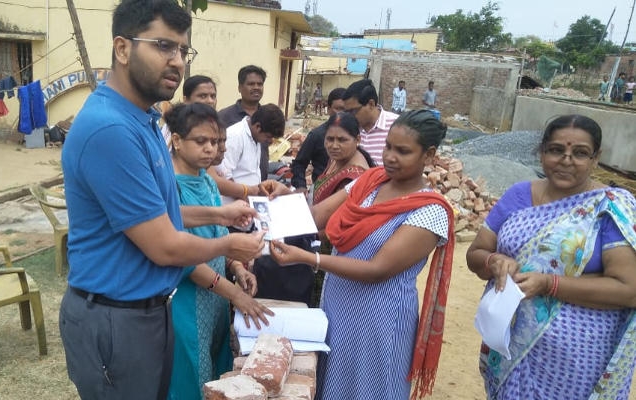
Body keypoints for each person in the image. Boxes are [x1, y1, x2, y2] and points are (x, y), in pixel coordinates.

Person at [58, 1, 265, 398]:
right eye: (163, 46)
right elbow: (164, 245)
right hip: (116, 317)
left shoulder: (145, 119)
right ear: (122, 49)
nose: (177, 61)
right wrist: (228, 245)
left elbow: (159, 213)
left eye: (183, 50)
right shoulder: (111, 129)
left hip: (148, 310)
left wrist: (220, 215)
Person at [269, 109, 455, 399]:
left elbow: (376, 269)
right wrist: (283, 200)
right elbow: (316, 217)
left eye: (403, 151)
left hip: (380, 318)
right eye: (388, 147)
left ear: (429, 155)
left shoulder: (430, 211)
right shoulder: (370, 182)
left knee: (372, 388)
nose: (390, 157)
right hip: (339, 305)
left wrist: (308, 258)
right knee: (334, 382)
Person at [466, 114, 636, 400]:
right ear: (542, 152)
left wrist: (549, 284)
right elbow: (476, 253)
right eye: (556, 150)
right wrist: (493, 261)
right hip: (507, 344)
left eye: (580, 153)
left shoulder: (609, 207)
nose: (566, 160)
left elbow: (629, 289)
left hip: (577, 360)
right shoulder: (518, 195)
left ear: (596, 158)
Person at [165, 102, 273, 400]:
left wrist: (237, 267)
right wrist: (234, 294)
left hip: (216, 297)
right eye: (201, 141)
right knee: (191, 378)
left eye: (214, 142)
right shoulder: (170, 188)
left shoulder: (207, 181)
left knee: (216, 372)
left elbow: (219, 235)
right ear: (177, 141)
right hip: (186, 300)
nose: (210, 149)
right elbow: (184, 259)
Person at [217, 103, 286, 206]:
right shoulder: (235, 136)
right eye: (268, 137)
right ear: (257, 127)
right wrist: (245, 198)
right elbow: (224, 177)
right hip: (234, 205)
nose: (270, 141)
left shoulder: (255, 136)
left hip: (250, 202)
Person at [218, 65, 269, 181]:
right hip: (231, 185)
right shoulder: (223, 117)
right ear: (240, 88)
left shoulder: (267, 116)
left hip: (261, 184)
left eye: (260, 84)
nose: (256, 87)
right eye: (251, 84)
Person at [312, 112, 376, 205]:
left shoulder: (353, 178)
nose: (334, 146)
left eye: (342, 140)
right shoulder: (336, 159)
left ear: (358, 140)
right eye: (330, 139)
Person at [290, 87, 346, 194]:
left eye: (346, 109)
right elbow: (299, 164)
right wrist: (301, 186)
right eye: (338, 109)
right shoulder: (317, 135)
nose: (342, 113)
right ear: (328, 109)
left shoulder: (356, 136)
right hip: (320, 193)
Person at [342, 78, 398, 166]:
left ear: (371, 104)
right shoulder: (348, 128)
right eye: (347, 112)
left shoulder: (397, 125)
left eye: (354, 111)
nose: (350, 116)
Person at [161, 74, 217, 148]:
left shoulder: (218, 127)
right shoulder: (172, 127)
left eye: (213, 96)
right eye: (203, 96)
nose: (210, 101)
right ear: (186, 100)